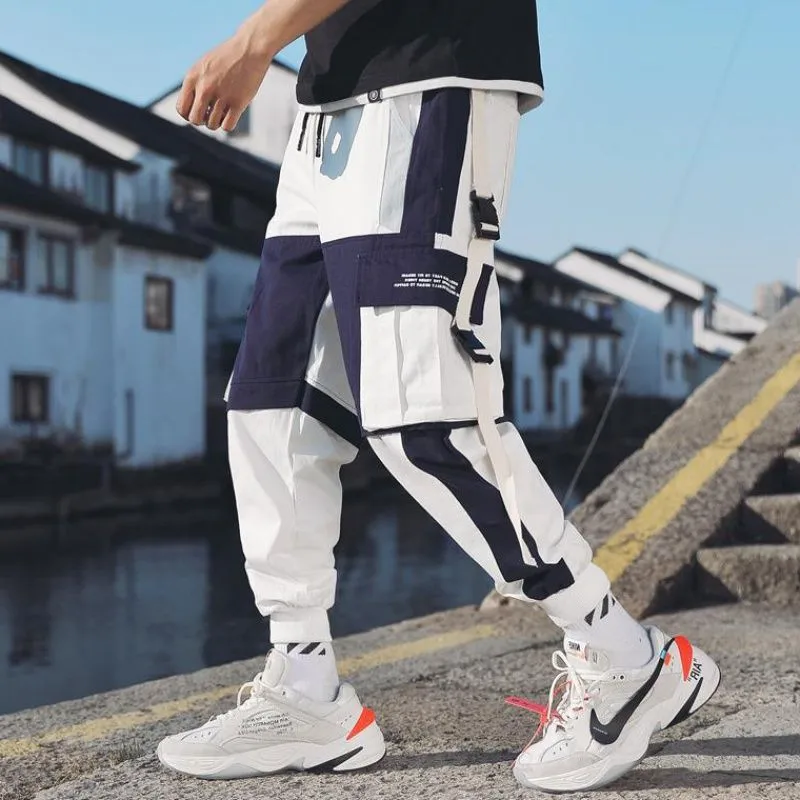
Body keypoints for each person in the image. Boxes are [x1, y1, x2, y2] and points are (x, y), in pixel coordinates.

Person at [156, 0, 721, 792]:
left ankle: (625, 656)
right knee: (272, 405)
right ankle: (306, 686)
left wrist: (254, 42)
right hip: (325, 115)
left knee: (424, 419)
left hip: (428, 82)